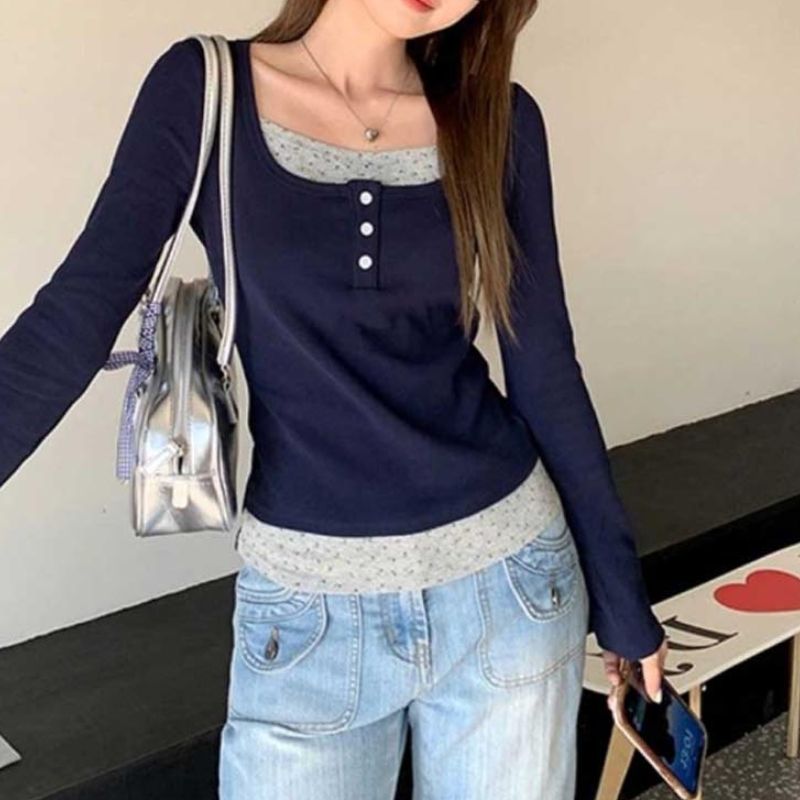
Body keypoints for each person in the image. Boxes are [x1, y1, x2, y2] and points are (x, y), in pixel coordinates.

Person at [0, 1, 668, 798]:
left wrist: (622, 602)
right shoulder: (206, 91)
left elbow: (546, 370)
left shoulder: (500, 121)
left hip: (511, 589)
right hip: (307, 616)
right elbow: (70, 320)